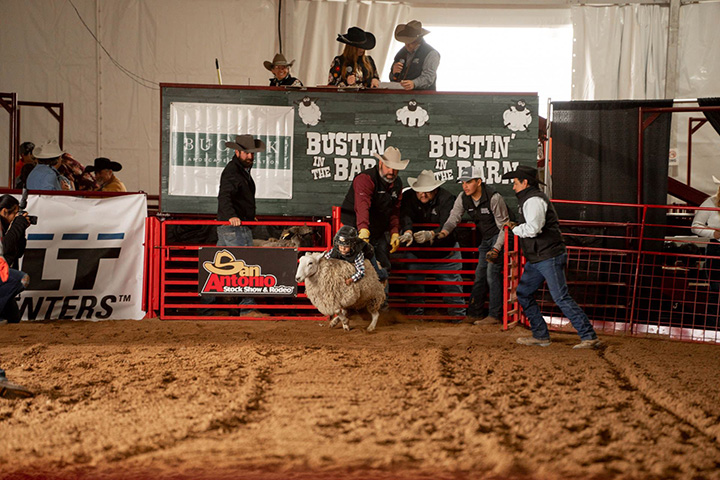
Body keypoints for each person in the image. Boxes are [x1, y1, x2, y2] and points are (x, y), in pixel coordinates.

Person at [502, 165, 601, 349]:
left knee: (559, 296)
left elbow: (533, 228)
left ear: (525, 182)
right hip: (541, 256)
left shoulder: (533, 200)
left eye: (515, 182)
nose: (513, 187)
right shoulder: (531, 199)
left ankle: (588, 336)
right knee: (524, 293)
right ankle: (541, 336)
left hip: (546, 256)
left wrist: (515, 229)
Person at [436, 166, 510, 325]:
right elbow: (453, 218)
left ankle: (495, 316)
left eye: (468, 182)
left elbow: (505, 227)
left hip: (499, 238)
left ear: (479, 181)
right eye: (463, 182)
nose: (465, 186)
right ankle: (475, 314)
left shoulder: (494, 197)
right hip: (486, 239)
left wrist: (496, 248)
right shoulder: (463, 197)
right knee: (480, 275)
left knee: (492, 275)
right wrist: (443, 233)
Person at [398, 170, 466, 319]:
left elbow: (448, 223)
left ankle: (458, 319)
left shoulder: (447, 199)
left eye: (427, 191)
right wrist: (408, 231)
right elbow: (405, 215)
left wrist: (432, 235)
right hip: (417, 251)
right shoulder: (408, 197)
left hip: (444, 252)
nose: (423, 195)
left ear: (435, 189)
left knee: (452, 288)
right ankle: (415, 319)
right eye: (419, 192)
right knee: (414, 287)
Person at [213, 134, 267, 316]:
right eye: (246, 153)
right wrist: (232, 216)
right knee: (245, 264)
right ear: (237, 152)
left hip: (230, 226)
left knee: (219, 267)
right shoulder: (233, 172)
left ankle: (210, 307)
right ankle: (247, 306)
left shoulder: (235, 170)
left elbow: (230, 197)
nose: (250, 156)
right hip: (235, 227)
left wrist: (247, 216)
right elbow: (225, 196)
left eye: (252, 153)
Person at [340, 146, 408, 273]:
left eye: (395, 169)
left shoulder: (397, 183)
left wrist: (394, 232)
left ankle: (382, 292)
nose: (391, 171)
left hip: (378, 229)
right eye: (388, 166)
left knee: (383, 266)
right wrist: (363, 230)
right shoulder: (365, 179)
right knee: (350, 267)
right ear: (380, 163)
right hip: (353, 226)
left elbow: (394, 211)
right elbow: (362, 206)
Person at [390, 20, 440, 91]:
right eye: (405, 41)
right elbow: (392, 78)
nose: (407, 45)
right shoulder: (401, 53)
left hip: (423, 97)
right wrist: (393, 72)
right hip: (401, 95)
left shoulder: (431, 53)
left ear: (418, 40)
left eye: (411, 42)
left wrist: (414, 83)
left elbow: (429, 77)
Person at [691, 174, 720, 292]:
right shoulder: (711, 202)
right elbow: (695, 226)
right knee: (716, 289)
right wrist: (713, 233)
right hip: (717, 248)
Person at [0, 195, 31, 269]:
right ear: (4, 212)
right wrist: (18, 224)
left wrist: (21, 229)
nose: (16, 217)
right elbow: (4, 247)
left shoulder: (9, 227)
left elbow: (19, 253)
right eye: (15, 213)